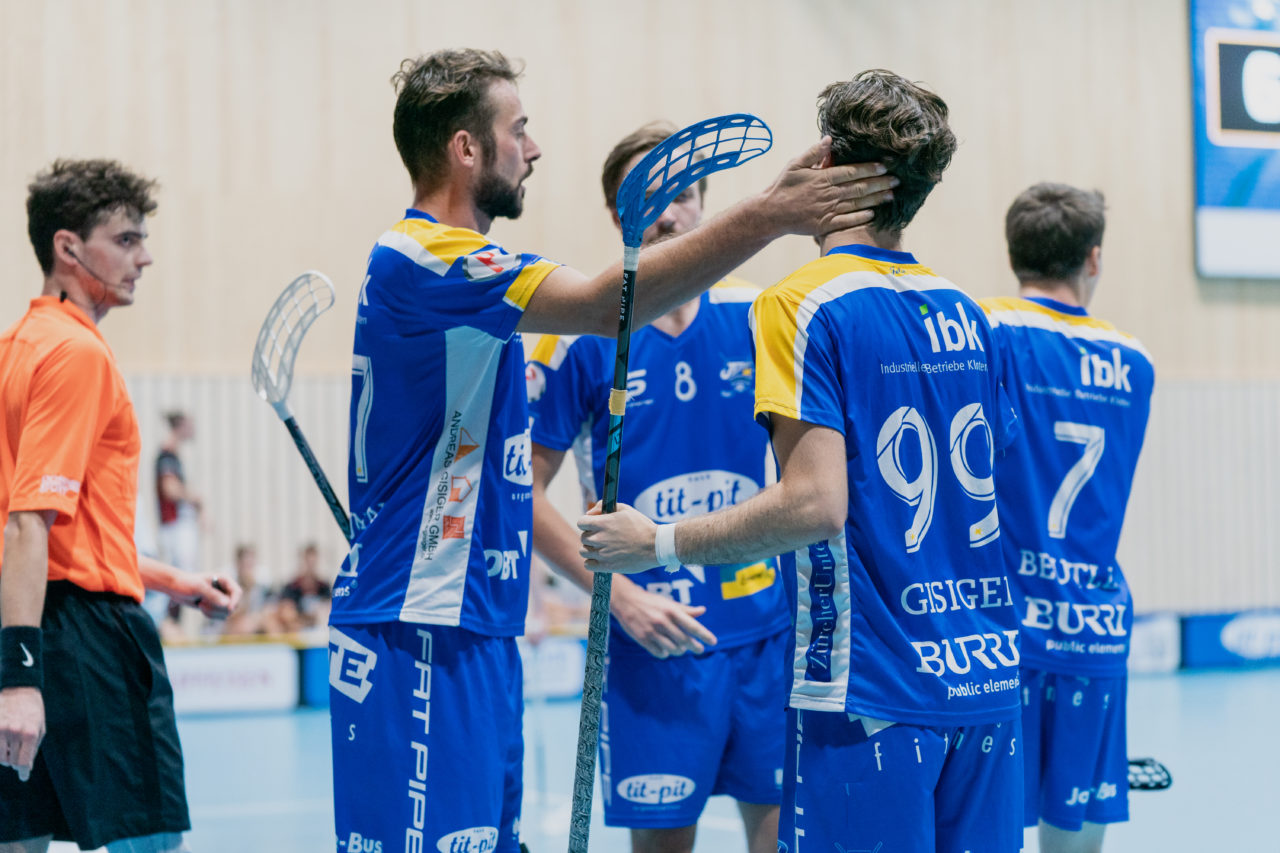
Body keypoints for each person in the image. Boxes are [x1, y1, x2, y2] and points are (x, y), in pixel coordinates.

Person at [326, 48, 896, 853]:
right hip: (420, 619)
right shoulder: (429, 258)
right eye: (517, 130)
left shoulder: (472, 286)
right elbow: (602, 304)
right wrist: (771, 213)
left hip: (478, 620)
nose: (533, 148)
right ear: (465, 148)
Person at [580, 70, 1025, 853]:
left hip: (873, 690)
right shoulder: (972, 313)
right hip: (987, 683)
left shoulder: (797, 302)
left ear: (828, 168)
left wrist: (654, 542)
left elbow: (814, 504)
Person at [528, 122, 790, 852]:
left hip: (764, 634)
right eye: (650, 197)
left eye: (684, 194)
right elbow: (522, 490)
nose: (670, 212)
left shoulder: (760, 318)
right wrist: (618, 594)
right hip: (650, 643)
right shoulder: (582, 333)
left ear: (707, 204)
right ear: (619, 216)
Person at [0, 159, 241, 853]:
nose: (146, 256)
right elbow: (26, 524)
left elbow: (56, 533)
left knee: (22, 839)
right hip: (84, 636)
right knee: (151, 840)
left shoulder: (17, 347)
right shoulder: (77, 352)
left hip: (27, 617)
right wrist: (23, 680)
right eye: (128, 240)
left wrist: (177, 582)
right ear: (69, 247)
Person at [981, 184, 1154, 853]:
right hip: (1095, 623)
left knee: (987, 822)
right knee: (1076, 832)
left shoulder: (985, 329)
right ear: (1094, 258)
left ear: (1014, 251)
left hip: (1004, 621)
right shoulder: (1135, 361)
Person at [155, 410, 202, 574]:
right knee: (181, 574)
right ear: (180, 426)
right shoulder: (167, 454)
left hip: (178, 526)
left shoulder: (174, 455)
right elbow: (169, 489)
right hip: (175, 525)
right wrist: (195, 498)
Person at [278, 541, 332, 632]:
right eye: (308, 562)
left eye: (313, 562)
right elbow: (286, 613)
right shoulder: (291, 587)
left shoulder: (324, 587)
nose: (310, 566)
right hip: (297, 630)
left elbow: (328, 611)